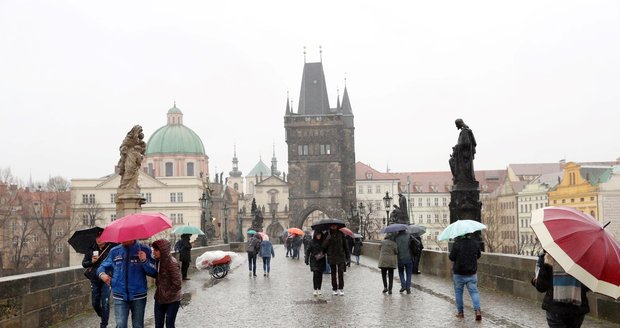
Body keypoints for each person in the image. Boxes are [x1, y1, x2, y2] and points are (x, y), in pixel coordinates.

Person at [97, 239, 158, 328]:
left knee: (138, 325)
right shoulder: (115, 251)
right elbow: (102, 266)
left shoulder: (145, 249)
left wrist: (145, 261)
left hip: (138, 295)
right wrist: (102, 274)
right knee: (121, 325)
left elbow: (154, 272)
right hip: (119, 295)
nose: (122, 239)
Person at [531, 251, 590, 327]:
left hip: (555, 309)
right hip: (577, 309)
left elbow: (541, 287)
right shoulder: (584, 257)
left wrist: (535, 280)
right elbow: (588, 286)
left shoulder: (549, 256)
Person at [82, 231, 116, 328]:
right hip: (94, 279)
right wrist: (91, 261)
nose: (99, 240)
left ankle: (103, 324)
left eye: (101, 237)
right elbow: (84, 264)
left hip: (106, 279)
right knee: (95, 303)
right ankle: (103, 315)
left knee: (105, 302)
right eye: (97, 238)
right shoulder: (91, 248)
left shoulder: (111, 248)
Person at [449, 233, 482, 321]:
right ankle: (477, 311)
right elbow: (478, 255)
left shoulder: (457, 243)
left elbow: (451, 257)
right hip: (471, 273)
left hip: (459, 273)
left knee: (459, 293)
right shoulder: (475, 242)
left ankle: (461, 313)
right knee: (474, 292)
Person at [150, 239, 182, 328]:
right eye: (153, 250)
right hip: (159, 298)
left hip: (172, 300)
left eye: (156, 250)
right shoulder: (158, 261)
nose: (154, 252)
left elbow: (177, 283)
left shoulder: (171, 262)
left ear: (163, 250)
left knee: (169, 325)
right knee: (158, 325)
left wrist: (166, 294)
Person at [322, 224, 349, 296]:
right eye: (332, 226)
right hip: (331, 256)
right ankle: (334, 288)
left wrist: (348, 257)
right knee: (333, 273)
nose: (334, 227)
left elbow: (345, 245)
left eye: (335, 226)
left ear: (337, 226)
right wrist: (327, 239)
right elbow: (323, 246)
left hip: (340, 255)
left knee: (341, 272)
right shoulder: (327, 234)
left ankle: (341, 288)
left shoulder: (341, 234)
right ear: (330, 226)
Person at [449, 118, 477, 185]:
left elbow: (466, 143)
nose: (456, 126)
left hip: (464, 156)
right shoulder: (465, 131)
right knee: (451, 160)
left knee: (451, 161)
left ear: (459, 124)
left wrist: (456, 147)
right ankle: (456, 177)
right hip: (463, 154)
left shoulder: (465, 131)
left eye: (456, 125)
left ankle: (457, 177)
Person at [305, 231, 327, 296]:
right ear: (315, 235)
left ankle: (319, 288)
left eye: (320, 235)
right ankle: (315, 289)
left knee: (320, 275)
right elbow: (308, 251)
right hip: (314, 260)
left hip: (321, 260)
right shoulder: (311, 242)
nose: (319, 236)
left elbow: (326, 250)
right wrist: (306, 258)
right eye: (317, 235)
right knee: (315, 274)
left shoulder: (323, 242)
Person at [394, 230, 414, 294]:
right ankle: (408, 288)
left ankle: (403, 286)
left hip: (400, 258)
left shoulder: (396, 238)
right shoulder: (409, 236)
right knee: (409, 273)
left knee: (401, 272)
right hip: (409, 258)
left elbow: (395, 250)